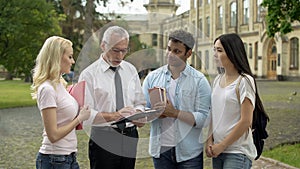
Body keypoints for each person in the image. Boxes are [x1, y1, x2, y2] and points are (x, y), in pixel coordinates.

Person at [78, 26, 146, 169]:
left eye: (124, 50)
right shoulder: (88, 75)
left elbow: (140, 102)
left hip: (130, 136)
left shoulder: (131, 70)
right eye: (115, 50)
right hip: (104, 139)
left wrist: (139, 114)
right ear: (103, 45)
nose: (120, 56)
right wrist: (116, 116)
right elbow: (86, 116)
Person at [142, 29, 211, 169]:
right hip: (161, 152)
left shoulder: (199, 81)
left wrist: (174, 113)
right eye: (169, 49)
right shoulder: (152, 78)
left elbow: (205, 118)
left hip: (189, 153)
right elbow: (143, 110)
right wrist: (155, 113)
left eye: (177, 51)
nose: (170, 54)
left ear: (189, 53)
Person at [31, 36, 91, 169]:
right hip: (54, 159)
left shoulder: (60, 85)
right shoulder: (47, 89)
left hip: (69, 157)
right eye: (69, 57)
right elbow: (53, 135)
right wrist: (80, 118)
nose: (73, 61)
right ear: (57, 57)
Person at [205, 33, 258, 169]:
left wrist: (222, 145)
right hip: (217, 150)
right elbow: (214, 114)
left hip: (237, 152)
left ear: (232, 52)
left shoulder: (244, 81)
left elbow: (246, 121)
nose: (215, 54)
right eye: (214, 50)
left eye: (220, 50)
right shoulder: (217, 80)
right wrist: (209, 140)